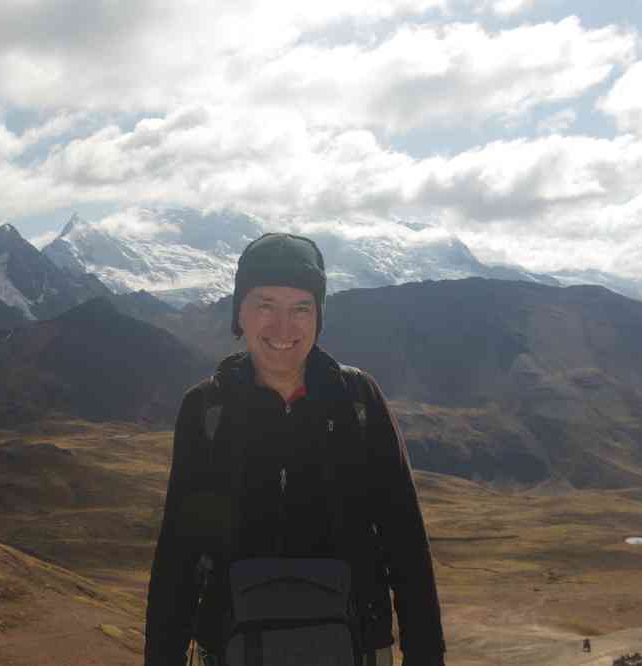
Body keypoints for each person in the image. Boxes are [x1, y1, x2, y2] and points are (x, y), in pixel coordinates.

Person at [144, 233, 446, 666]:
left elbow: (406, 542)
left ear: (319, 317)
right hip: (230, 648)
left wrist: (426, 655)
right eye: (265, 305)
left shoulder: (358, 402)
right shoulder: (207, 410)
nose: (283, 328)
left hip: (356, 648)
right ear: (239, 313)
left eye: (301, 308)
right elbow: (178, 553)